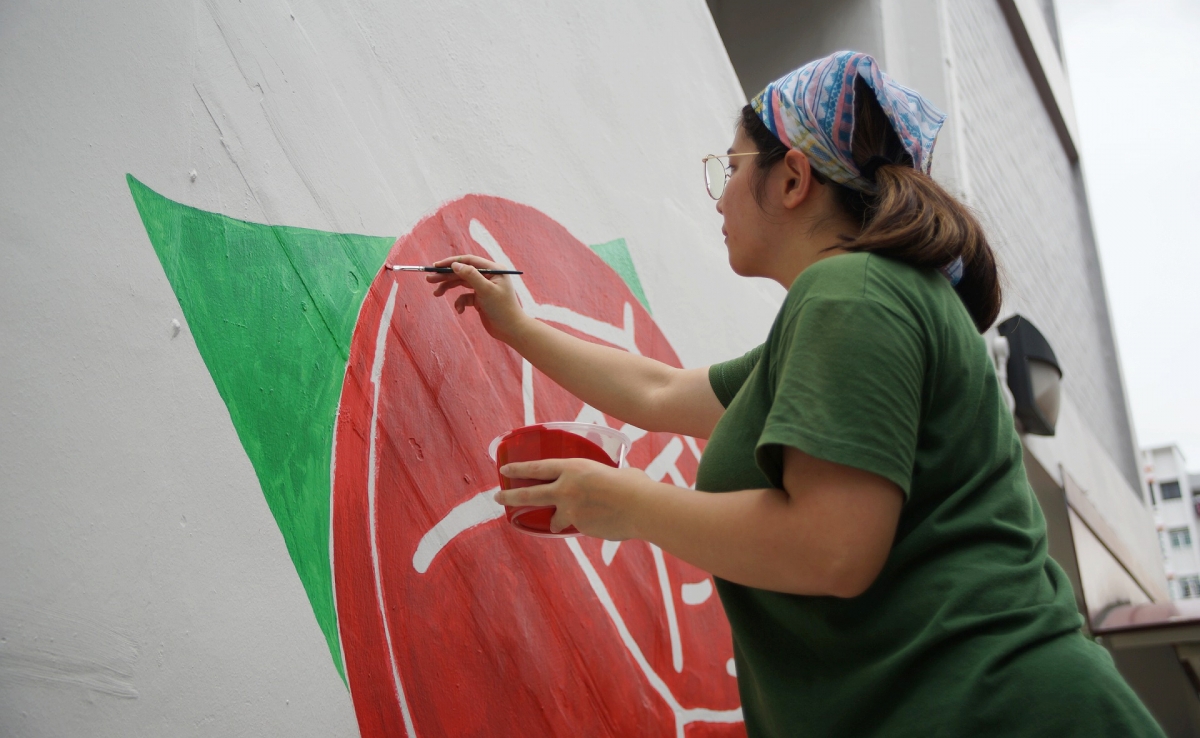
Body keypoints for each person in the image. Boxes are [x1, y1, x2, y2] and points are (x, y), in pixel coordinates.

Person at [425, 51, 1164, 737]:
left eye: (731, 166)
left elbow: (832, 546)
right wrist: (514, 326)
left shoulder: (855, 295)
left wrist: (618, 503)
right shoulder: (860, 303)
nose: (719, 199)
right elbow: (656, 391)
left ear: (791, 178)